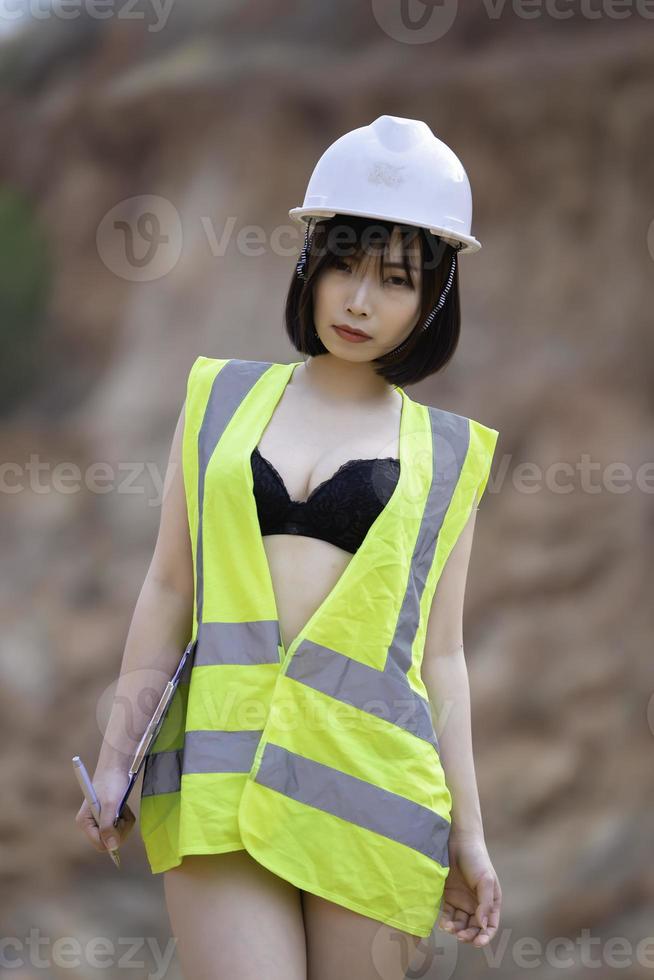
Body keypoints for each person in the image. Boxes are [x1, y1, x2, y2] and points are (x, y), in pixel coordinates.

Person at [76, 115, 503, 979]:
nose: (358, 301)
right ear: (309, 264)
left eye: (395, 280)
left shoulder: (453, 454)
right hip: (215, 770)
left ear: (434, 298)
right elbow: (167, 588)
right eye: (344, 265)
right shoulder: (219, 398)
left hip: (372, 792)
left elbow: (444, 657)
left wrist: (470, 834)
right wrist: (119, 757)